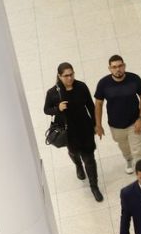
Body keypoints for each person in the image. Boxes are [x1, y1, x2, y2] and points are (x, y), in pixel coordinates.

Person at [44, 62, 104, 202]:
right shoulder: (53, 93)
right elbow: (46, 110)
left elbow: (90, 105)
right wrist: (57, 108)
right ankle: (78, 165)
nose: (70, 78)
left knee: (89, 158)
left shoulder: (81, 87)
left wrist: (96, 125)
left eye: (71, 74)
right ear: (59, 76)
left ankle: (94, 186)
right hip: (68, 130)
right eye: (66, 76)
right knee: (73, 152)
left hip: (84, 127)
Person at [94, 54, 141, 174]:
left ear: (124, 66)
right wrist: (98, 124)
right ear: (109, 68)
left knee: (138, 150)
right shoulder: (103, 84)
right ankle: (129, 159)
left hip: (134, 122)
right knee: (124, 147)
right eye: (114, 67)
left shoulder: (134, 79)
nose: (117, 69)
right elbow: (98, 104)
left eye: (120, 66)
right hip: (115, 125)